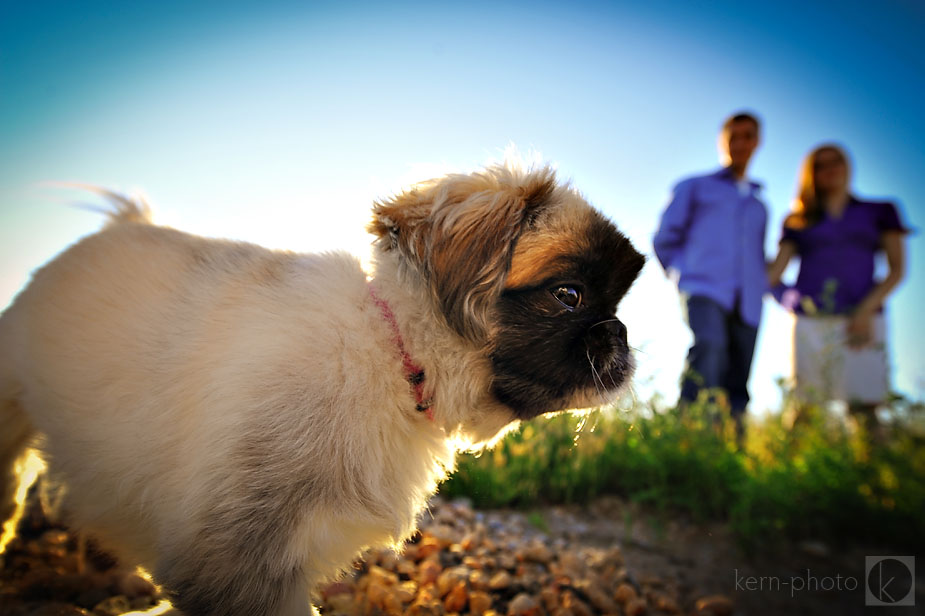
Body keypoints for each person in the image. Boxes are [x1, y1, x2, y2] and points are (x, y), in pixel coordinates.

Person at [767, 144, 907, 431]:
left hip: (863, 320)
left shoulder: (879, 212)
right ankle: (789, 472)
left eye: (836, 162)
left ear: (847, 166)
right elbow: (772, 276)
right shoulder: (798, 221)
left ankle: (870, 473)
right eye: (820, 165)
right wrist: (793, 302)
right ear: (810, 174)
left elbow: (897, 269)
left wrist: (865, 311)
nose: (830, 169)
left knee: (864, 407)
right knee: (804, 406)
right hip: (811, 323)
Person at [653, 112, 769, 435]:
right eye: (734, 136)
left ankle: (733, 450)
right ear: (723, 142)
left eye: (748, 136)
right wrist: (683, 275)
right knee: (710, 347)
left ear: (757, 143)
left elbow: (759, 257)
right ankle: (687, 436)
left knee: (738, 377)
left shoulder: (760, 206)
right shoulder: (695, 187)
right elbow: (664, 239)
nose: (741, 143)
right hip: (704, 290)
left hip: (748, 301)